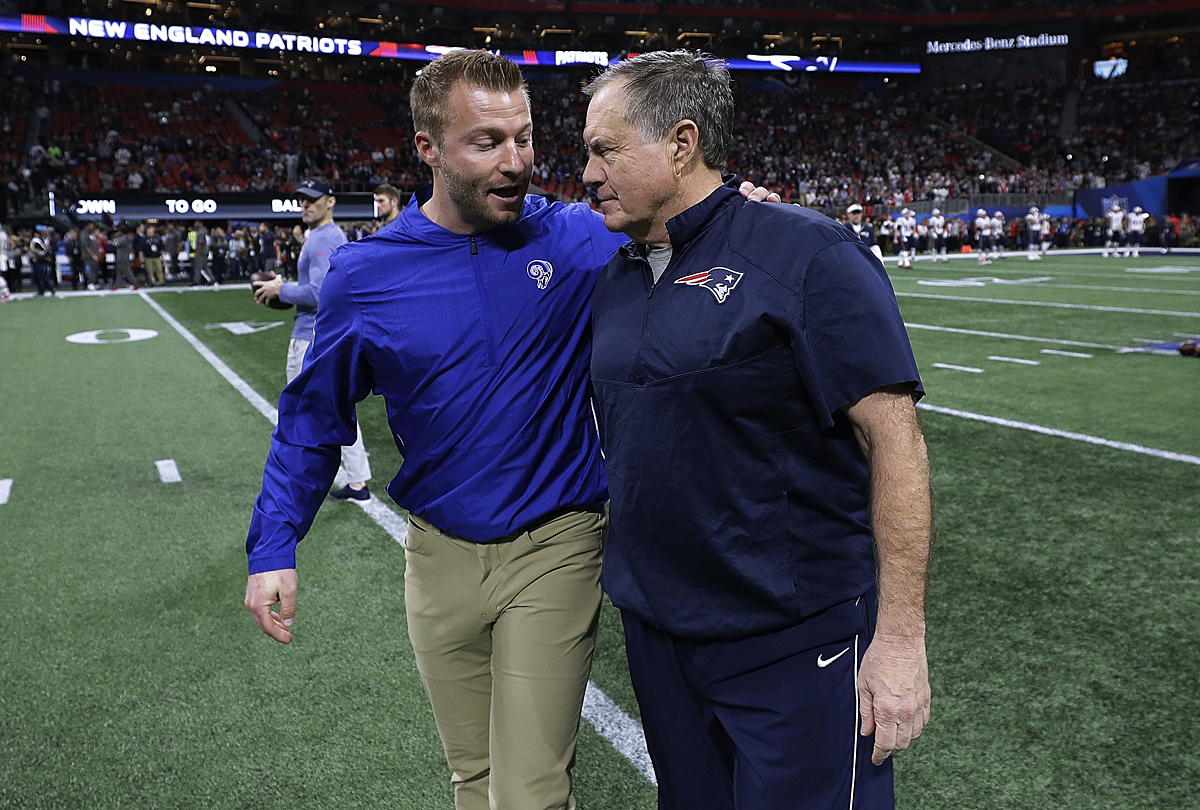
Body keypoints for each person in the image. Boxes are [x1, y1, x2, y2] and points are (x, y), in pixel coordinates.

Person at [242, 49, 773, 810]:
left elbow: (683, 223)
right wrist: (273, 546)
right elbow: (311, 419)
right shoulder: (365, 276)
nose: (516, 160)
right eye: (487, 142)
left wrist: (740, 206)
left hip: (556, 544)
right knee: (475, 780)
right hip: (436, 556)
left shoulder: (577, 238)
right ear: (429, 148)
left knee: (528, 794)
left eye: (523, 138)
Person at [583, 50, 931, 810]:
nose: (587, 172)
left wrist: (901, 639)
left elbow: (895, 441)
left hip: (793, 637)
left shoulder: (807, 252)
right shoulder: (616, 274)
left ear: (681, 143)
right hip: (660, 637)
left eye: (605, 150)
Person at [251, 178, 373, 503]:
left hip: (311, 338)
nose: (304, 204)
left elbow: (320, 293)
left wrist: (281, 290)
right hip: (321, 337)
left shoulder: (324, 238)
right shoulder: (322, 236)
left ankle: (300, 481)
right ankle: (357, 481)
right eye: (301, 200)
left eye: (312, 199)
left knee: (301, 415)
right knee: (335, 410)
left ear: (330, 201)